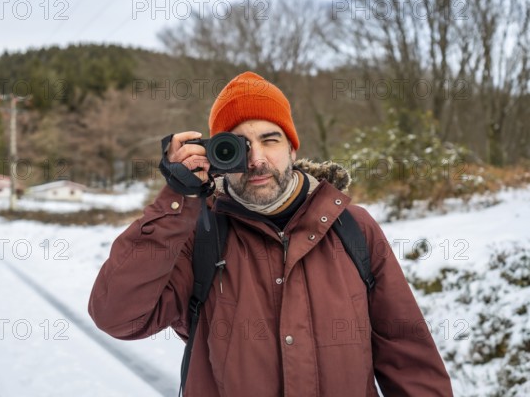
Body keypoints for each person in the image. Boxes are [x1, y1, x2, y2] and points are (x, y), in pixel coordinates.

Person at [88, 71, 453, 396]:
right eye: (237, 146)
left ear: (293, 147)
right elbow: (116, 316)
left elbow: (409, 359)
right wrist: (176, 201)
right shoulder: (197, 235)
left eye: (270, 139)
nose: (256, 159)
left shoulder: (354, 228)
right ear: (217, 157)